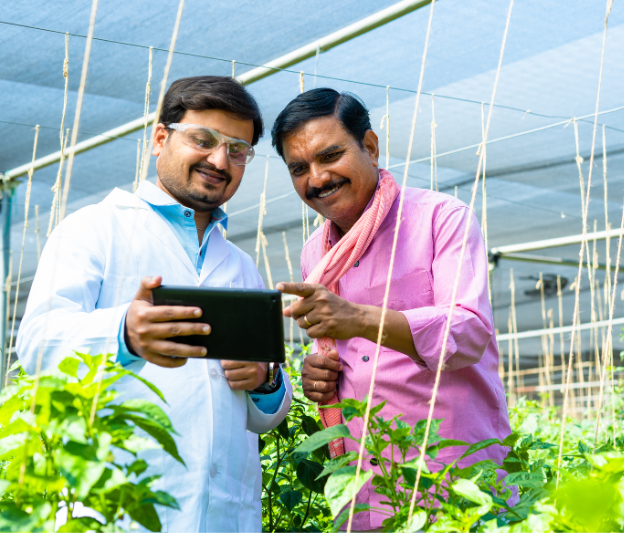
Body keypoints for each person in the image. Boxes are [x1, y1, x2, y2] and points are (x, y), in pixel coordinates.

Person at [17, 76, 291, 532]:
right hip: (122, 511)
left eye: (237, 149)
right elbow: (36, 344)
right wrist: (124, 331)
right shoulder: (94, 229)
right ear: (160, 138)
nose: (220, 160)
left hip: (227, 516)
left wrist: (265, 380)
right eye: (203, 140)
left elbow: (263, 417)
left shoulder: (242, 267)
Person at [272, 88, 511, 530]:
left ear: (370, 146)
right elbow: (343, 354)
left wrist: (358, 318)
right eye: (299, 168)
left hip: (456, 466)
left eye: (330, 156)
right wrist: (319, 373)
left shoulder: (442, 218)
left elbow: (469, 331)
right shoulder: (315, 254)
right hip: (369, 475)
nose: (317, 178)